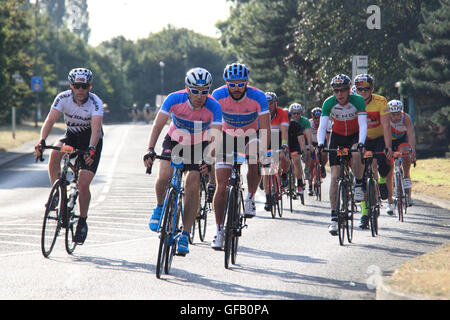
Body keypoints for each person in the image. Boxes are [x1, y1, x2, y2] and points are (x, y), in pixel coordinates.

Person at [143, 67, 222, 256]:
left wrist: (208, 160)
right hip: (175, 139)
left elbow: (216, 136)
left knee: (192, 183)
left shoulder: (213, 106)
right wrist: (150, 149)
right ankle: (160, 206)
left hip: (199, 144)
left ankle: (185, 234)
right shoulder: (174, 98)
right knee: (164, 175)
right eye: (195, 91)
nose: (200, 95)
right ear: (187, 89)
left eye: (205, 91)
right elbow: (158, 124)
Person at [34, 68, 104, 245]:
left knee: (83, 183)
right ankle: (56, 192)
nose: (81, 90)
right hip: (71, 136)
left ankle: (82, 220)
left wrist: (91, 149)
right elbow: (50, 120)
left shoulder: (95, 103)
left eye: (84, 86)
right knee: (55, 152)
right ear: (71, 86)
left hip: (91, 141)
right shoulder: (62, 98)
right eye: (77, 86)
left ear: (90, 86)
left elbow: (96, 129)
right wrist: (42, 140)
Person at [210, 62, 270, 250]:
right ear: (226, 83)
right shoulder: (218, 95)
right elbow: (212, 125)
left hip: (251, 135)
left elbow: (266, 129)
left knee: (254, 157)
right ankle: (219, 231)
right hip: (227, 136)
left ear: (246, 82)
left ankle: (250, 197)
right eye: (232, 84)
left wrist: (266, 153)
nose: (236, 88)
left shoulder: (258, 96)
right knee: (221, 185)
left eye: (240, 84)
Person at [317, 74, 367, 236]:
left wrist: (361, 143)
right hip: (337, 137)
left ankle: (359, 183)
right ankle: (333, 218)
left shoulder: (357, 101)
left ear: (348, 90)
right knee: (334, 177)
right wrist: (320, 144)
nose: (339, 94)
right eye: (336, 91)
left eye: (343, 90)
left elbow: (363, 124)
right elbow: (322, 127)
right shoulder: (328, 103)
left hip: (354, 135)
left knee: (357, 154)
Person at [353, 74, 392, 226]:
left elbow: (387, 125)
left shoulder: (380, 101)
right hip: (361, 139)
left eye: (366, 89)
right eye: (359, 89)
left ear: (372, 89)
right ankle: (364, 213)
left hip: (379, 137)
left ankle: (382, 181)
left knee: (383, 159)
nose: (363, 92)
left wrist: (388, 146)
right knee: (360, 175)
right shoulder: (353, 102)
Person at [386, 100, 416, 208]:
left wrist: (412, 149)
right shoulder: (386, 118)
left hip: (402, 139)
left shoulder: (405, 118)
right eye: (393, 114)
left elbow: (411, 134)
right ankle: (389, 201)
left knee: (405, 153)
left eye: (398, 113)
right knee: (389, 168)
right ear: (389, 113)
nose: (396, 117)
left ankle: (406, 177)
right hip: (389, 140)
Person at [263, 92, 289, 212]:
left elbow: (284, 130)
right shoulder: (261, 113)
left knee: (283, 156)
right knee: (267, 170)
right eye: (266, 103)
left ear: (275, 103)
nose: (268, 106)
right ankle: (268, 198)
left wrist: (284, 144)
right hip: (266, 138)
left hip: (278, 137)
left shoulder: (282, 113)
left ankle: (284, 175)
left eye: (271, 103)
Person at [288, 103, 311, 197]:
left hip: (299, 141)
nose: (296, 115)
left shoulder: (304, 121)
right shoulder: (285, 122)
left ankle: (302, 178)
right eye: (294, 113)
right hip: (287, 142)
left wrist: (309, 145)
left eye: (298, 113)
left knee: (297, 159)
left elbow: (308, 135)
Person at [307, 107, 331, 195]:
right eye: (315, 118)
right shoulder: (309, 123)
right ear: (312, 118)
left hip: (322, 142)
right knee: (310, 164)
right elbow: (307, 137)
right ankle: (309, 186)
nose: (317, 120)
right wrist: (309, 147)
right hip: (312, 142)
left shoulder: (327, 122)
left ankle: (322, 166)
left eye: (319, 118)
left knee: (324, 152)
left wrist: (328, 147)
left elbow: (328, 137)